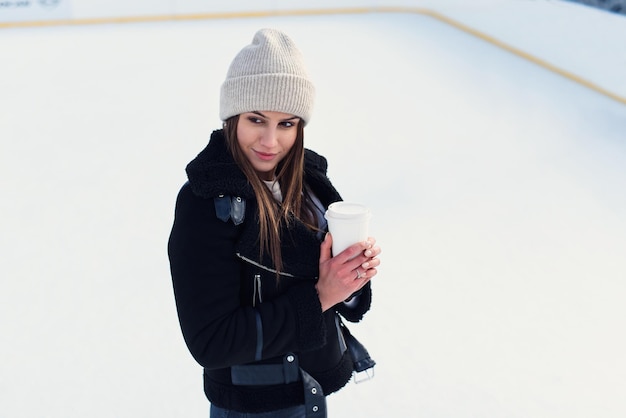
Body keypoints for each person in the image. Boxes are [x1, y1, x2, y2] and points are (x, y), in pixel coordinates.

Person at [167, 28, 381, 418]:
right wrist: (321, 296)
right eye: (256, 119)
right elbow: (211, 341)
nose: (270, 141)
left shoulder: (309, 182)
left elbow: (331, 294)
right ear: (232, 115)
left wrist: (350, 278)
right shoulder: (205, 200)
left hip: (311, 392)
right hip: (253, 407)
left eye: (287, 124)